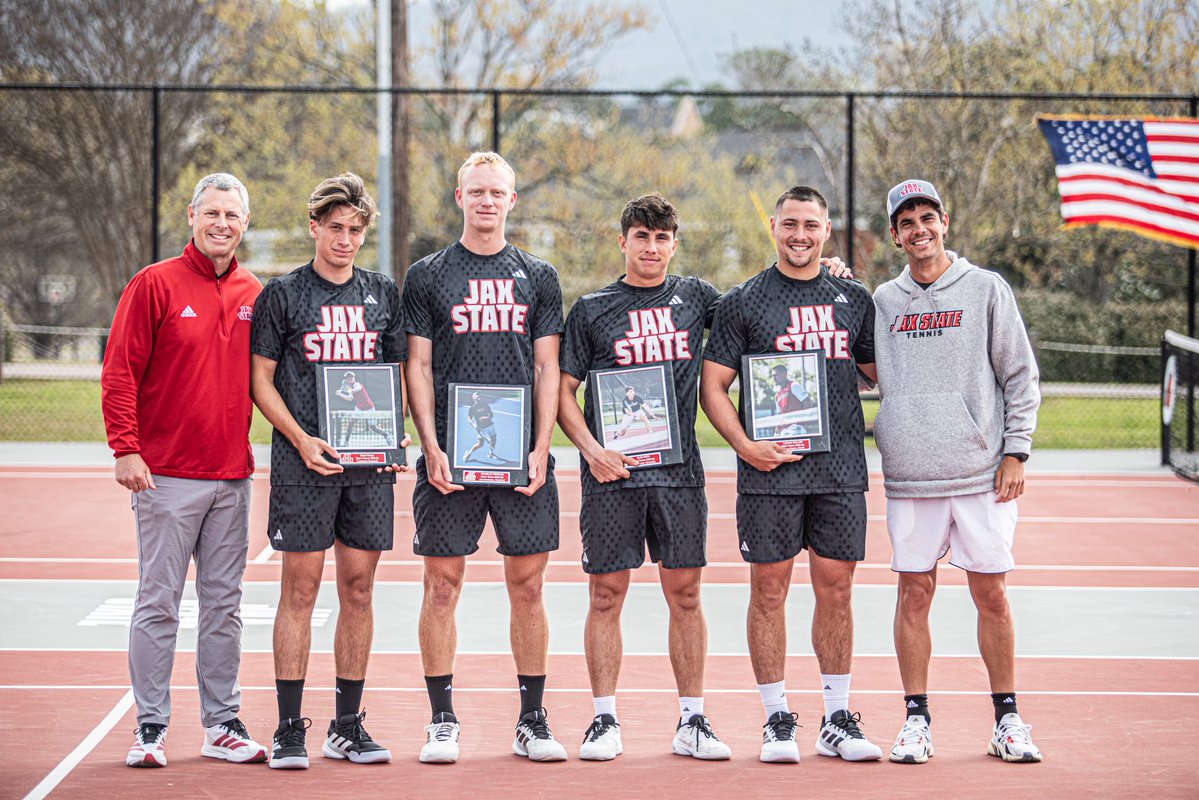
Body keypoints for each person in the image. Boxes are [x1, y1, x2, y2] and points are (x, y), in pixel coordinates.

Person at [700, 185, 883, 764]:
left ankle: (836, 717)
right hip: (769, 474)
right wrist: (745, 445)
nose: (799, 234)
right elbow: (713, 388)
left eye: (810, 224)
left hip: (839, 470)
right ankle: (778, 718)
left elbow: (882, 372)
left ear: (826, 231)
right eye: (789, 224)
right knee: (769, 591)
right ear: (773, 229)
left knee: (837, 589)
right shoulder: (743, 302)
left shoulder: (854, 299)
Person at [870, 179, 1041, 765]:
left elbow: (1019, 373)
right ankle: (916, 720)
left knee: (990, 594)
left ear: (946, 222)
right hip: (911, 474)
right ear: (895, 235)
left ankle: (1008, 720)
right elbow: (862, 365)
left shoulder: (986, 288)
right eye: (907, 222)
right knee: (914, 593)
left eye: (928, 217)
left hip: (981, 472)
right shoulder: (882, 301)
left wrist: (1016, 449)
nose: (920, 229)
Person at [403, 152, 567, 763]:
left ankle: (532, 718)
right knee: (441, 587)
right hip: (453, 456)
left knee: (528, 588)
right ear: (459, 197)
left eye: (497, 192)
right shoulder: (427, 276)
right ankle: (442, 718)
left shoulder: (539, 275)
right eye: (477, 191)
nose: (487, 201)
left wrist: (542, 447)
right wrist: (430, 444)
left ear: (513, 200)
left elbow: (549, 365)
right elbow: (416, 365)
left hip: (521, 457)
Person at [102, 172, 267, 768]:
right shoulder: (154, 284)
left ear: (244, 225)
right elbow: (120, 370)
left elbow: (273, 380)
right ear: (192, 216)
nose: (222, 224)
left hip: (231, 478)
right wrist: (126, 448)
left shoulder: (255, 291)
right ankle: (149, 728)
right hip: (166, 476)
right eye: (212, 213)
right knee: (159, 602)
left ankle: (221, 723)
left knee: (224, 606)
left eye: (232, 216)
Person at [559, 193, 731, 761]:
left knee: (685, 594)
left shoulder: (696, 297)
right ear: (623, 241)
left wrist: (821, 270)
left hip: (679, 474)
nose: (651, 248)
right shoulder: (591, 309)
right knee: (606, 595)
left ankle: (693, 720)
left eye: (661, 238)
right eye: (641, 237)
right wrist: (591, 450)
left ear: (674, 244)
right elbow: (564, 394)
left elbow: (760, 308)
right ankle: (604, 719)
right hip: (613, 476)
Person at [250, 173, 408, 769]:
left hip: (367, 467)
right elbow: (259, 380)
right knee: (301, 590)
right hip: (303, 462)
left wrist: (396, 436)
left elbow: (393, 374)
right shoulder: (283, 294)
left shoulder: (382, 293)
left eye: (355, 229)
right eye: (335, 228)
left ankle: (346, 725)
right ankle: (290, 728)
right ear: (315, 227)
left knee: (360, 590)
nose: (345, 239)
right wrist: (299, 437)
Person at [335, 371, 389, 446]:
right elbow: (350, 398)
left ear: (354, 379)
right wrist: (340, 394)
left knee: (373, 427)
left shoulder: (357, 384)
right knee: (351, 423)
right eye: (348, 379)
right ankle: (346, 442)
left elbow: (358, 388)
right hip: (359, 408)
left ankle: (386, 435)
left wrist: (350, 390)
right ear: (346, 380)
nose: (350, 380)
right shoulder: (350, 388)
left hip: (369, 408)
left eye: (351, 378)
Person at [771, 363, 815, 436]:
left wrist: (800, 423)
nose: (774, 378)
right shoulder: (777, 395)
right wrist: (776, 433)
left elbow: (808, 403)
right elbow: (779, 416)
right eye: (773, 376)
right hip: (784, 431)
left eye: (776, 375)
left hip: (796, 429)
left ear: (784, 374)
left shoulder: (794, 385)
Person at [462, 391, 499, 461]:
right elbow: (469, 418)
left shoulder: (485, 404)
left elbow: (492, 415)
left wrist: (486, 418)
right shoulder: (472, 408)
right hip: (482, 428)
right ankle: (468, 453)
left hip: (490, 426)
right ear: (473, 398)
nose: (479, 395)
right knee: (480, 444)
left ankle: (490, 454)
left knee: (494, 440)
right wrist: (475, 426)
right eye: (477, 395)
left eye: (479, 394)